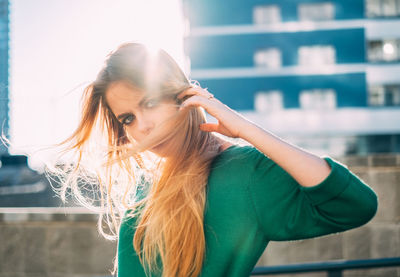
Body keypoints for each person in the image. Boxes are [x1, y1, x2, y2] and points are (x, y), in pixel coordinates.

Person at [49, 42, 378, 277]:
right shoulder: (145, 190)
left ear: (181, 95)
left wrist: (245, 129)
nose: (142, 127)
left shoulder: (245, 172)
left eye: (149, 103)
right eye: (127, 119)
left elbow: (355, 204)